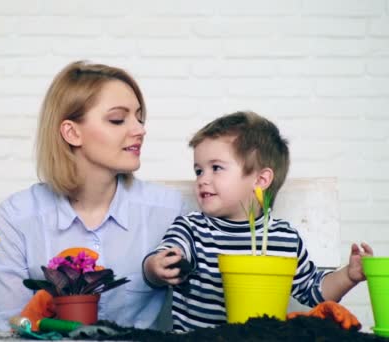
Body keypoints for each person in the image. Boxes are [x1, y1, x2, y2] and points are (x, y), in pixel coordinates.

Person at [0, 61, 188, 331]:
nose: (139, 129)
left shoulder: (171, 211)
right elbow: (10, 328)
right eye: (118, 119)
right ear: (72, 132)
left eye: (139, 117)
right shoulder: (14, 219)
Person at [142, 111, 374, 332]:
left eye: (216, 168)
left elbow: (312, 291)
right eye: (198, 171)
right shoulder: (191, 229)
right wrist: (158, 266)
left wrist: (348, 276)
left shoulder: (284, 238)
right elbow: (168, 253)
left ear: (261, 179)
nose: (203, 180)